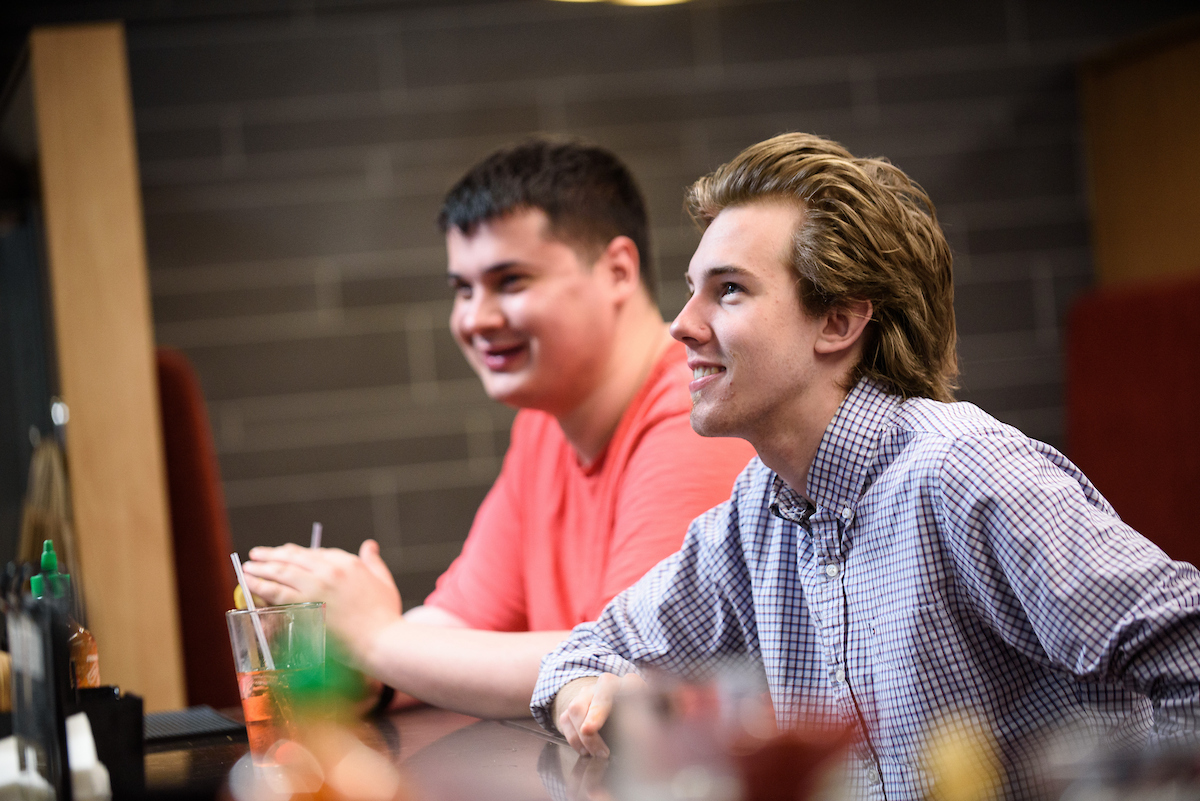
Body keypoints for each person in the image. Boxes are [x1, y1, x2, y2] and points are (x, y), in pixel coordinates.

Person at [534, 132, 1200, 798]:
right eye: (691, 290)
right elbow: (583, 653)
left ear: (839, 321)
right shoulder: (758, 506)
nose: (681, 323)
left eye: (728, 290)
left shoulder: (967, 473)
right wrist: (591, 693)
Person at [242, 139, 754, 719]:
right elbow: (459, 625)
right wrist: (373, 671)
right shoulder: (544, 422)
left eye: (509, 281)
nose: (475, 318)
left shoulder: (697, 414)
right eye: (462, 289)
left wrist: (379, 641)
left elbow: (626, 665)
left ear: (617, 271)